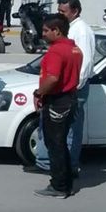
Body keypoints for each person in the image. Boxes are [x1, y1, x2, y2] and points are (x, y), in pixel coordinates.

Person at [30, 0, 96, 176]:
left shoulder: (81, 31)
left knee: (69, 131)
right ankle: (46, 163)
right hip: (59, 90)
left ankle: (69, 167)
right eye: (58, 10)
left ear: (75, 11)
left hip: (71, 90)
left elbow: (84, 64)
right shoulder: (66, 30)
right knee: (51, 130)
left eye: (63, 11)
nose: (59, 14)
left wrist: (73, 86)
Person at [33, 14, 83, 198]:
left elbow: (53, 78)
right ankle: (66, 181)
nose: (43, 34)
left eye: (46, 30)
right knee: (60, 142)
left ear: (57, 31)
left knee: (54, 144)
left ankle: (59, 186)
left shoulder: (56, 51)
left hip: (57, 101)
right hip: (70, 98)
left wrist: (39, 93)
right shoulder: (75, 49)